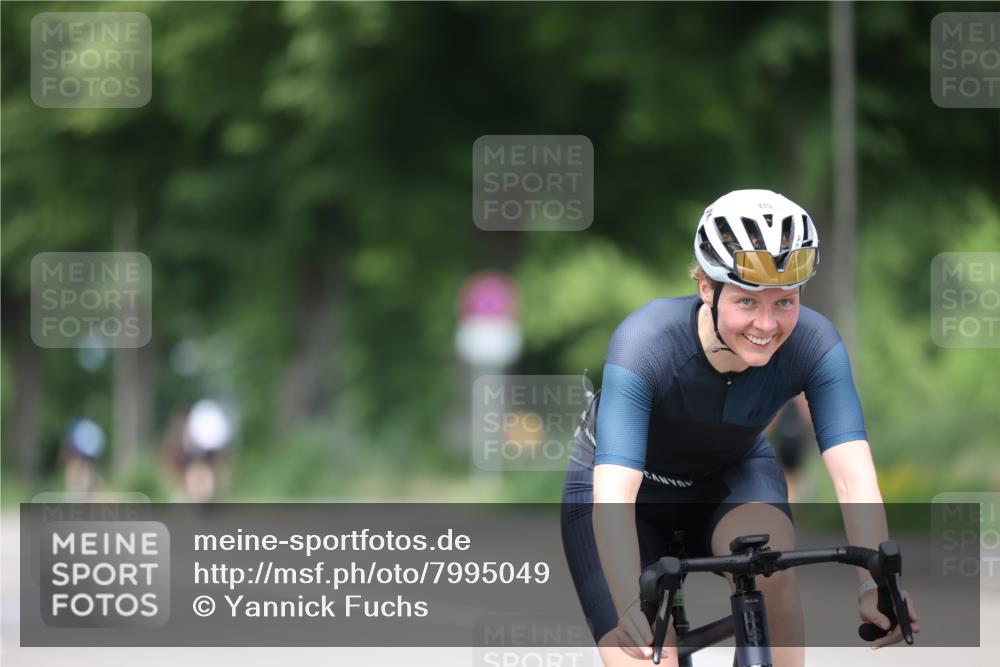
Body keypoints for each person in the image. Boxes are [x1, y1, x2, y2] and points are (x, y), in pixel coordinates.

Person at [560, 190, 920, 667]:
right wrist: (629, 602)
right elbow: (615, 494)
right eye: (746, 300)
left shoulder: (814, 344)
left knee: (770, 570)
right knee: (645, 654)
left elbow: (854, 476)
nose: (766, 325)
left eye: (785, 301)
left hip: (729, 476)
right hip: (625, 494)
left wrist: (875, 583)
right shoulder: (645, 343)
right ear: (706, 288)